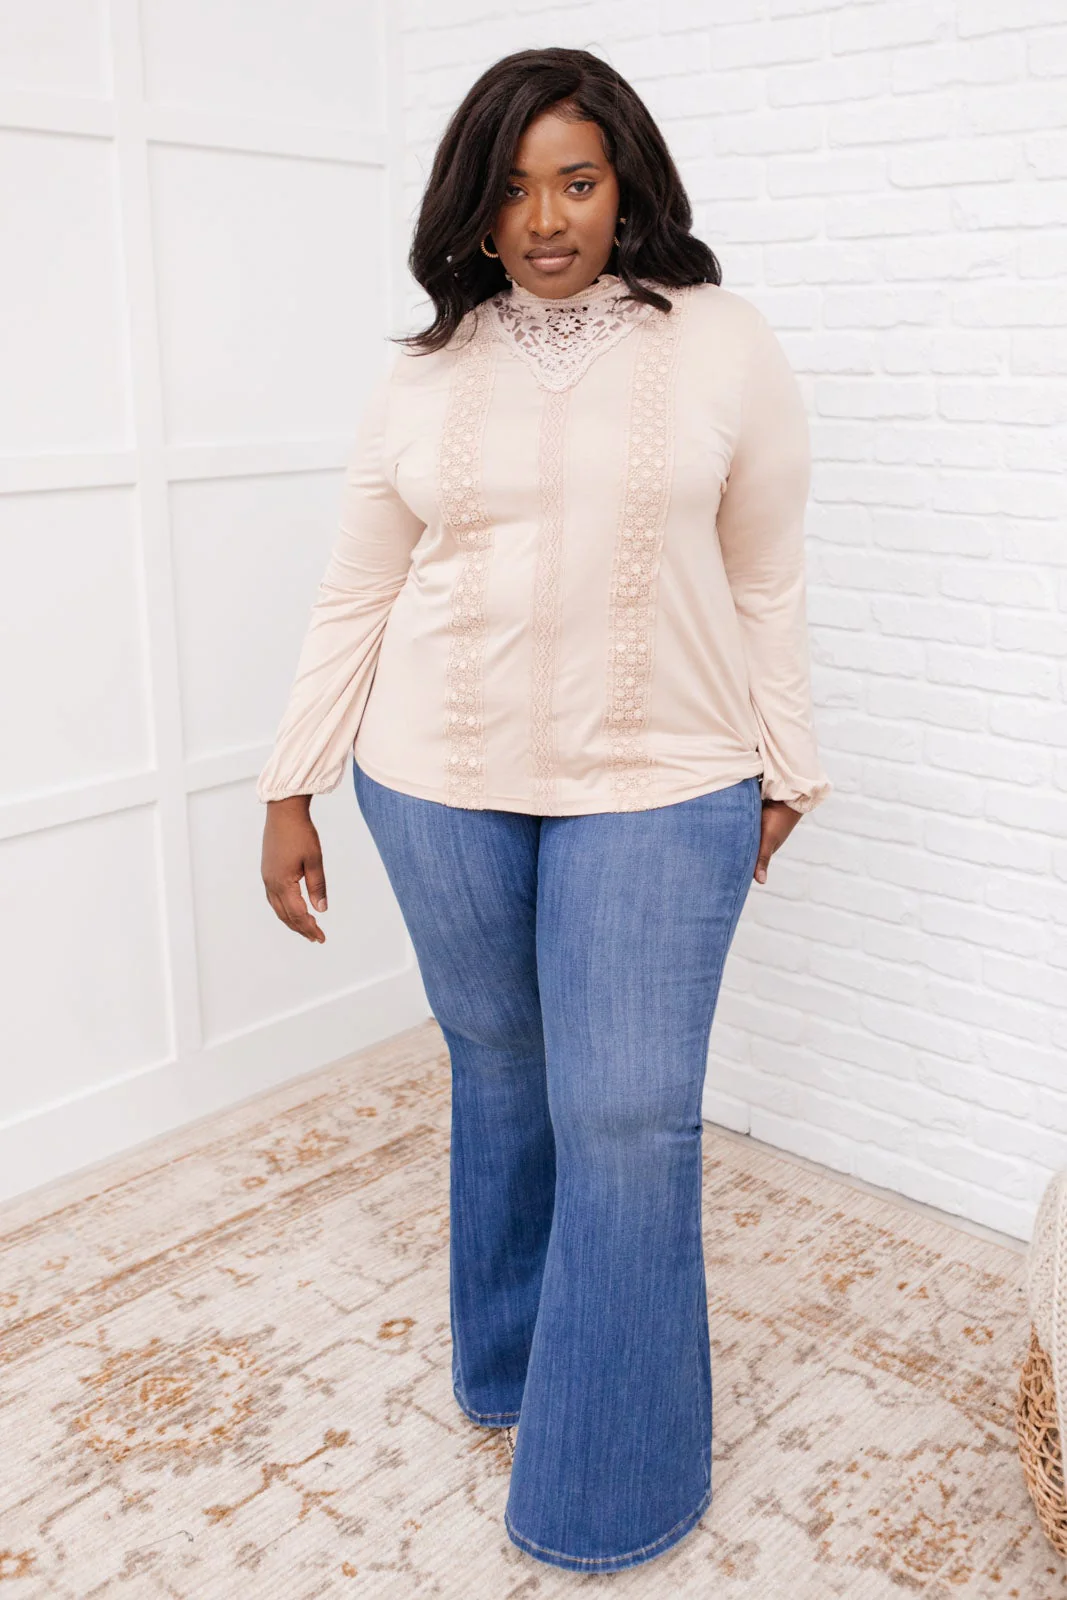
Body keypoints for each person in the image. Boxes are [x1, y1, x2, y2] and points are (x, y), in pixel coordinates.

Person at [257, 46, 832, 1575]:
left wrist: (785, 761)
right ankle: (507, 1366)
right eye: (513, 189)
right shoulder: (426, 369)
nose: (545, 218)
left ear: (624, 184)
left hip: (663, 777)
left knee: (627, 1117)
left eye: (575, 181)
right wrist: (289, 781)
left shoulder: (721, 342)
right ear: (473, 205)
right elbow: (357, 587)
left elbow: (765, 574)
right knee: (501, 1074)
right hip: (432, 782)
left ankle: (608, 1482)